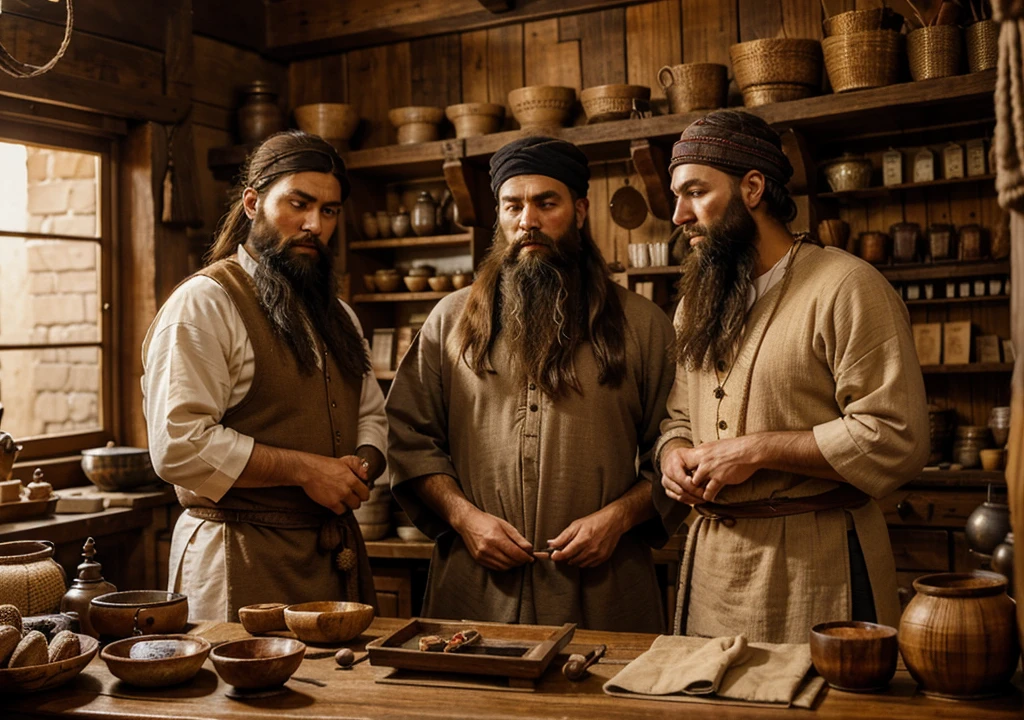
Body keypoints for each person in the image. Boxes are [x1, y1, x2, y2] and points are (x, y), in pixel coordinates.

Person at [653, 110, 929, 643]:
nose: (679, 215)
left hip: (818, 564)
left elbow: (896, 437)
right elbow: (678, 417)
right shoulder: (695, 305)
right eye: (677, 196)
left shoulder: (847, 286)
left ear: (752, 187)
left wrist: (755, 450)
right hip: (714, 567)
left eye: (695, 193)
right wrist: (672, 455)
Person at [385, 136, 677, 632]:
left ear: (580, 210)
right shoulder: (448, 321)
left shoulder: (644, 326)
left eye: (547, 203)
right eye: (512, 205)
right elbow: (410, 440)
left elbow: (676, 449)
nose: (528, 221)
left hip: (604, 592)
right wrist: (464, 519)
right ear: (499, 215)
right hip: (474, 590)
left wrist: (618, 520)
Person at [142, 130, 387, 621]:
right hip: (237, 555)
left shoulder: (340, 315)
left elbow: (370, 413)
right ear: (253, 203)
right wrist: (305, 470)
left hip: (330, 557)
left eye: (330, 210)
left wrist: (359, 466)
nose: (314, 224)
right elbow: (179, 445)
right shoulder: (205, 303)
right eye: (298, 203)